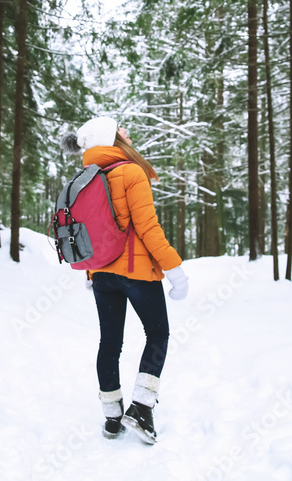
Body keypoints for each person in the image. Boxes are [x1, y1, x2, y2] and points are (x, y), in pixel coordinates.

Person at [62, 116, 189, 445]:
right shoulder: (131, 172)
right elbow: (148, 229)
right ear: (110, 138)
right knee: (158, 333)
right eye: (121, 129)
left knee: (110, 343)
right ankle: (142, 410)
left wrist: (91, 272)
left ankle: (112, 417)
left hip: (102, 274)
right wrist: (174, 270)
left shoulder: (86, 177)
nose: (127, 132)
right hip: (136, 272)